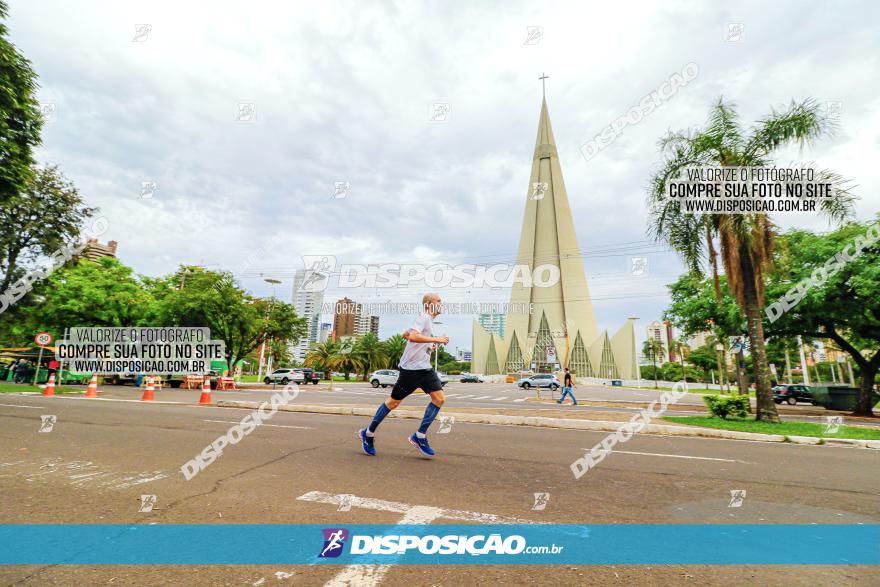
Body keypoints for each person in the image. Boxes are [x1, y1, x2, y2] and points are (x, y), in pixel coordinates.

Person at [358, 293, 448, 457]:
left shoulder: (429, 321)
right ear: (428, 304)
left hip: (425, 369)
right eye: (439, 301)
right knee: (393, 403)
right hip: (411, 371)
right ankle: (368, 433)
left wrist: (428, 344)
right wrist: (437, 339)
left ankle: (419, 436)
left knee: (439, 398)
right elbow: (413, 336)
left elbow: (406, 334)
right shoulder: (424, 317)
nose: (442, 304)